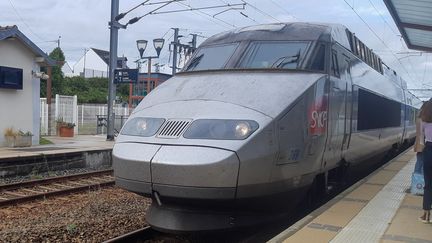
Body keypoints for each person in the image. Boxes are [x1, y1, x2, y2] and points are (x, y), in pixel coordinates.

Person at [419, 100, 432, 223]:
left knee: (428, 184)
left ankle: (426, 215)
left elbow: (421, 139)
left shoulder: (424, 120)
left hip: (429, 150)